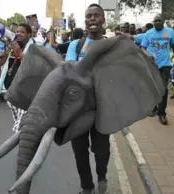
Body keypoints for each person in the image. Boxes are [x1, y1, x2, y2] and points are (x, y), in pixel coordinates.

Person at [65, 4, 109, 194]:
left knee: (102, 151)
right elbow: (68, 70)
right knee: (79, 151)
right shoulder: (76, 45)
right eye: (89, 16)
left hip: (103, 108)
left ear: (103, 20)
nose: (92, 19)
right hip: (78, 109)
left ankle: (101, 175)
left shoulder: (111, 45)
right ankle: (87, 187)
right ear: (85, 20)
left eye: (96, 16)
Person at [141, 14, 174, 125]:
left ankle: (162, 114)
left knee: (164, 89)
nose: (157, 22)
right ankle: (153, 107)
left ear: (163, 21)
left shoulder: (170, 32)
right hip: (152, 65)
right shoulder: (149, 33)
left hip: (165, 65)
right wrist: (148, 55)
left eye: (159, 20)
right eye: (155, 21)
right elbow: (143, 48)